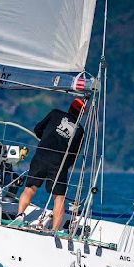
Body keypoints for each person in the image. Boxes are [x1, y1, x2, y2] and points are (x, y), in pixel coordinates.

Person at [14, 98, 86, 231]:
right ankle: (54, 231)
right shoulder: (80, 131)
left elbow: (37, 129)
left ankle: (20, 215)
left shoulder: (55, 114)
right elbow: (73, 155)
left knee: (30, 188)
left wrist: (46, 138)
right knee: (59, 197)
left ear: (70, 107)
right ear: (81, 114)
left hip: (42, 155)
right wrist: (65, 165)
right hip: (59, 162)